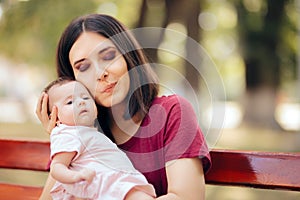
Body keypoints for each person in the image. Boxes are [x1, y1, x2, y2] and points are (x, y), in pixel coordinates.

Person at [36, 14, 211, 200]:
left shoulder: (172, 112)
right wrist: (64, 135)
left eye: (109, 56)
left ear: (128, 56)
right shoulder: (81, 136)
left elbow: (186, 197)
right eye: (83, 67)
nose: (100, 73)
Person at [43, 77, 156, 200]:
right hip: (102, 183)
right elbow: (57, 167)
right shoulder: (67, 134)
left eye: (85, 98)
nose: (81, 102)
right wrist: (75, 176)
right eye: (70, 102)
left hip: (115, 181)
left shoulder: (88, 132)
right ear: (55, 117)